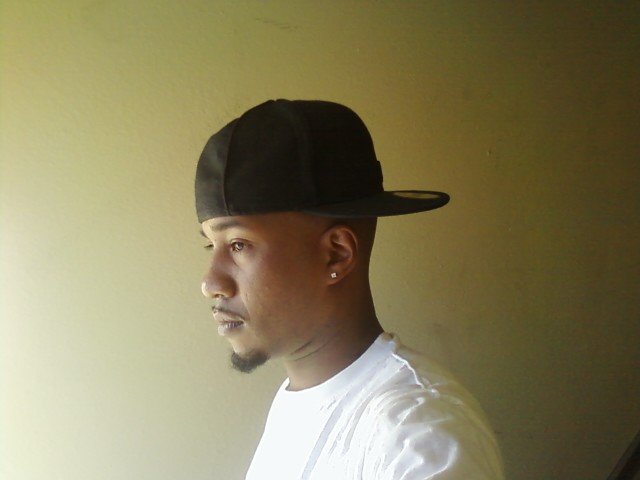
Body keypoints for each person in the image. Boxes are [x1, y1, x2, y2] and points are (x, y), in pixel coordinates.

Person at [196, 99, 504, 479]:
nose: (210, 283)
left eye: (238, 245)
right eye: (211, 245)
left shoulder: (416, 435)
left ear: (336, 255)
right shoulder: (300, 402)